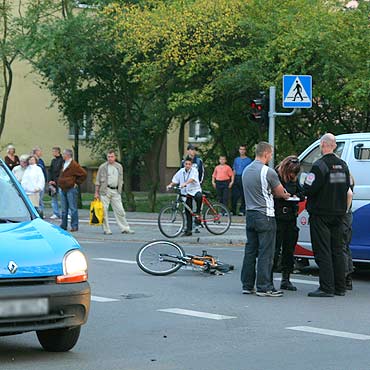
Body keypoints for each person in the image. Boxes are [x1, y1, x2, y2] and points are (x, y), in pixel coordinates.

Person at [303, 133, 351, 297]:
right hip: (339, 214)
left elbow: (309, 188)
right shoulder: (343, 165)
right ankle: (340, 287)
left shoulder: (319, 165)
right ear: (334, 146)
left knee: (323, 250)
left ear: (322, 145)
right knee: (337, 250)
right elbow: (347, 187)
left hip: (321, 214)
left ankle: (326, 288)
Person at [240, 142, 290, 297]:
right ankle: (264, 286)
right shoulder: (267, 172)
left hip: (250, 214)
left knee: (250, 250)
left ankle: (247, 285)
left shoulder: (246, 171)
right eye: (271, 154)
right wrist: (287, 195)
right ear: (266, 153)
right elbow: (280, 192)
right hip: (265, 215)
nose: (271, 156)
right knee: (266, 252)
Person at [273, 155, 305, 291]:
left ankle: (286, 279)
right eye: (292, 172)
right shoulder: (276, 175)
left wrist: (297, 196)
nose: (293, 175)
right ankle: (268, 278)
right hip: (278, 216)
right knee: (274, 249)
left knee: (289, 250)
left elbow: (301, 191)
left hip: (291, 217)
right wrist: (283, 196)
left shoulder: (294, 178)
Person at [95, 149, 134, 235]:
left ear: (115, 157)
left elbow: (121, 179)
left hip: (116, 190)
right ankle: (106, 229)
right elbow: (97, 181)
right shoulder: (103, 167)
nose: (110, 158)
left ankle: (125, 228)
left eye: (112, 156)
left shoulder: (119, 166)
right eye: (108, 157)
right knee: (104, 211)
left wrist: (120, 188)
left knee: (120, 210)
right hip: (105, 190)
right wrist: (96, 193)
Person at [168, 156, 202, 237]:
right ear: (184, 164)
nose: (187, 165)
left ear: (191, 165)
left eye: (189, 164)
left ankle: (198, 213)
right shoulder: (181, 171)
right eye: (186, 164)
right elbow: (175, 179)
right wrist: (170, 185)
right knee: (187, 211)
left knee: (199, 196)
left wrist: (185, 183)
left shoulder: (194, 171)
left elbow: (192, 179)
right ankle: (188, 230)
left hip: (194, 190)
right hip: (186, 192)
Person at [57, 149, 87, 232]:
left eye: (63, 154)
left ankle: (74, 226)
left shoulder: (74, 164)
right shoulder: (64, 164)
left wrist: (77, 182)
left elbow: (83, 174)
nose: (62, 155)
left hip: (71, 188)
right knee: (64, 209)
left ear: (68, 155)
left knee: (73, 208)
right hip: (63, 188)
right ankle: (63, 225)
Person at [181, 144, 204, 233]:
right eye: (191, 150)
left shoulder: (198, 161)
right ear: (188, 151)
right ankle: (189, 228)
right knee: (188, 208)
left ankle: (198, 221)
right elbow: (181, 173)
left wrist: (199, 182)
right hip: (187, 188)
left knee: (198, 199)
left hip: (195, 187)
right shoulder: (184, 161)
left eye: (194, 150)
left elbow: (201, 173)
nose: (193, 151)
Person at [232, 144, 252, 216]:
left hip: (244, 177)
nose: (242, 151)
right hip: (237, 177)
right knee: (234, 195)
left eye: (243, 149)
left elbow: (250, 171)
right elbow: (234, 169)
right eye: (241, 149)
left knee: (243, 195)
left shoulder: (248, 160)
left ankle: (242, 210)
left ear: (245, 151)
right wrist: (232, 180)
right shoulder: (236, 159)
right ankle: (233, 210)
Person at [343, 174, 355, 290]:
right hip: (348, 215)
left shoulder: (343, 177)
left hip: (344, 215)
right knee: (346, 246)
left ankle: (344, 276)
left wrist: (345, 210)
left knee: (341, 246)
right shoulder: (350, 177)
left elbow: (349, 193)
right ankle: (348, 278)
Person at [48, 147, 64, 219]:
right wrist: (50, 180)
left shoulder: (62, 161)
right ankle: (56, 213)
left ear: (57, 152)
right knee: (54, 198)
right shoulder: (53, 161)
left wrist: (56, 181)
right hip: (53, 182)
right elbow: (50, 171)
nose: (52, 153)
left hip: (60, 182)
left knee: (62, 198)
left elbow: (61, 172)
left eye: (54, 151)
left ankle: (65, 212)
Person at [33, 146, 47, 217]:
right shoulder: (32, 160)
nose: (41, 152)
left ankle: (41, 212)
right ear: (36, 152)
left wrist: (45, 180)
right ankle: (36, 213)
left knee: (40, 199)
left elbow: (44, 171)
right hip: (34, 183)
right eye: (39, 151)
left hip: (41, 182)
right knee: (36, 199)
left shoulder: (41, 161)